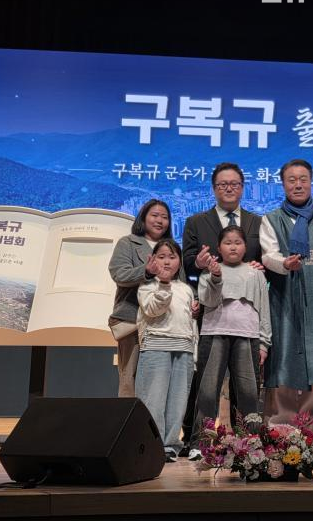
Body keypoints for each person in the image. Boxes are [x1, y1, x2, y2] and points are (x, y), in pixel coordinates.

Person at [181, 162, 263, 452]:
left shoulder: (257, 222)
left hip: (247, 322)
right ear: (214, 188)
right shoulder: (196, 221)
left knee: (247, 388)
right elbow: (186, 261)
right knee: (206, 385)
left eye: (234, 184)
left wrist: (260, 266)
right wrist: (200, 264)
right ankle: (199, 441)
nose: (229, 188)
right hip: (212, 317)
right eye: (222, 184)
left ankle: (247, 445)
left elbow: (265, 258)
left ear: (242, 188)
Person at [260, 159, 313, 424]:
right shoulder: (271, 219)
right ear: (283, 184)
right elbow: (268, 255)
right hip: (284, 297)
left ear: (311, 182)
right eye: (292, 180)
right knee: (284, 355)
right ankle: (281, 425)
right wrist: (284, 264)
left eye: (303, 179)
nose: (298, 185)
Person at [189, 225, 271, 460]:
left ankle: (250, 442)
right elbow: (208, 300)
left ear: (246, 247)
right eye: (227, 242)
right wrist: (215, 277)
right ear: (219, 247)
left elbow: (264, 309)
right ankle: (200, 443)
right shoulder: (208, 273)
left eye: (238, 242)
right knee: (207, 391)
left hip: (247, 335)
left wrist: (264, 342)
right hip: (214, 333)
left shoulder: (255, 273)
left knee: (248, 393)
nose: (233, 247)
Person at [108, 199, 180, 397]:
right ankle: (129, 417)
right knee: (130, 376)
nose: (160, 221)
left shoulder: (173, 247)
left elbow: (180, 283)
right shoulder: (128, 243)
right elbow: (119, 274)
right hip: (133, 320)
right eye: (154, 215)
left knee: (160, 380)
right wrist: (146, 271)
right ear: (143, 218)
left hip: (166, 324)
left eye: (164, 217)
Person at [135, 238, 199, 463]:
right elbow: (153, 310)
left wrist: (193, 354)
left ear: (179, 261)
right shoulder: (147, 286)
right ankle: (152, 444)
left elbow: (191, 325)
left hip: (184, 349)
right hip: (156, 347)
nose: (167, 261)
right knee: (153, 399)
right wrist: (162, 284)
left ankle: (171, 445)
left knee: (177, 402)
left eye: (172, 257)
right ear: (152, 260)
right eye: (161, 256)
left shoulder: (186, 289)